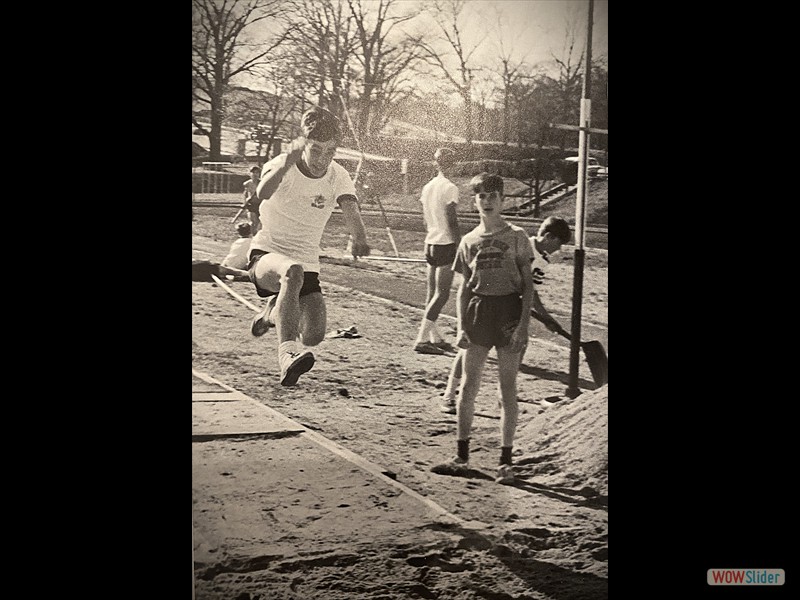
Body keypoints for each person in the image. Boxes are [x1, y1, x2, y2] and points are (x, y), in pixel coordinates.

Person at [247, 107, 370, 386]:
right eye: (316, 150)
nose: (322, 159)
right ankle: (287, 354)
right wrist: (288, 160)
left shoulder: (337, 175)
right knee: (292, 272)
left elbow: (350, 208)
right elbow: (262, 193)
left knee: (314, 335)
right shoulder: (283, 164)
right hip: (266, 254)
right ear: (303, 143)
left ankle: (271, 312)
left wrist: (359, 237)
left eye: (330, 152)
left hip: (306, 263)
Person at [430, 172, 533, 485]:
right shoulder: (469, 240)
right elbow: (463, 289)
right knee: (468, 385)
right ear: (474, 201)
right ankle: (462, 455)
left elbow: (528, 287)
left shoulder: (517, 236)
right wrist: (462, 326)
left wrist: (523, 328)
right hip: (479, 311)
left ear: (502, 200)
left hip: (508, 311)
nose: (487, 202)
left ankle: (505, 460)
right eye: (481, 197)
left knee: (507, 387)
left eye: (493, 196)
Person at [438, 215, 572, 414]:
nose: (559, 250)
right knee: (468, 350)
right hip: (483, 302)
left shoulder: (542, 261)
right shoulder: (520, 241)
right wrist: (545, 318)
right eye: (559, 244)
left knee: (517, 348)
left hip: (509, 308)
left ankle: (504, 396)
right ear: (549, 237)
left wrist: (546, 318)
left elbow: (531, 292)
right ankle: (449, 394)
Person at [413, 148, 461, 355]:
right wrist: (459, 243)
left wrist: (433, 233)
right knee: (441, 295)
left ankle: (434, 336)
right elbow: (451, 219)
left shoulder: (428, 186)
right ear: (453, 164)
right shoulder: (450, 188)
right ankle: (422, 339)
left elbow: (425, 219)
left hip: (430, 242)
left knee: (432, 294)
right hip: (445, 244)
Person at [241, 166, 262, 232]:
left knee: (260, 223)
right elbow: (245, 193)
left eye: (257, 172)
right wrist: (245, 202)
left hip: (260, 204)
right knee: (253, 222)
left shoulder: (262, 183)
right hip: (251, 205)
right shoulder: (247, 184)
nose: (255, 174)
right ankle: (252, 235)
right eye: (253, 172)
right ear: (250, 173)